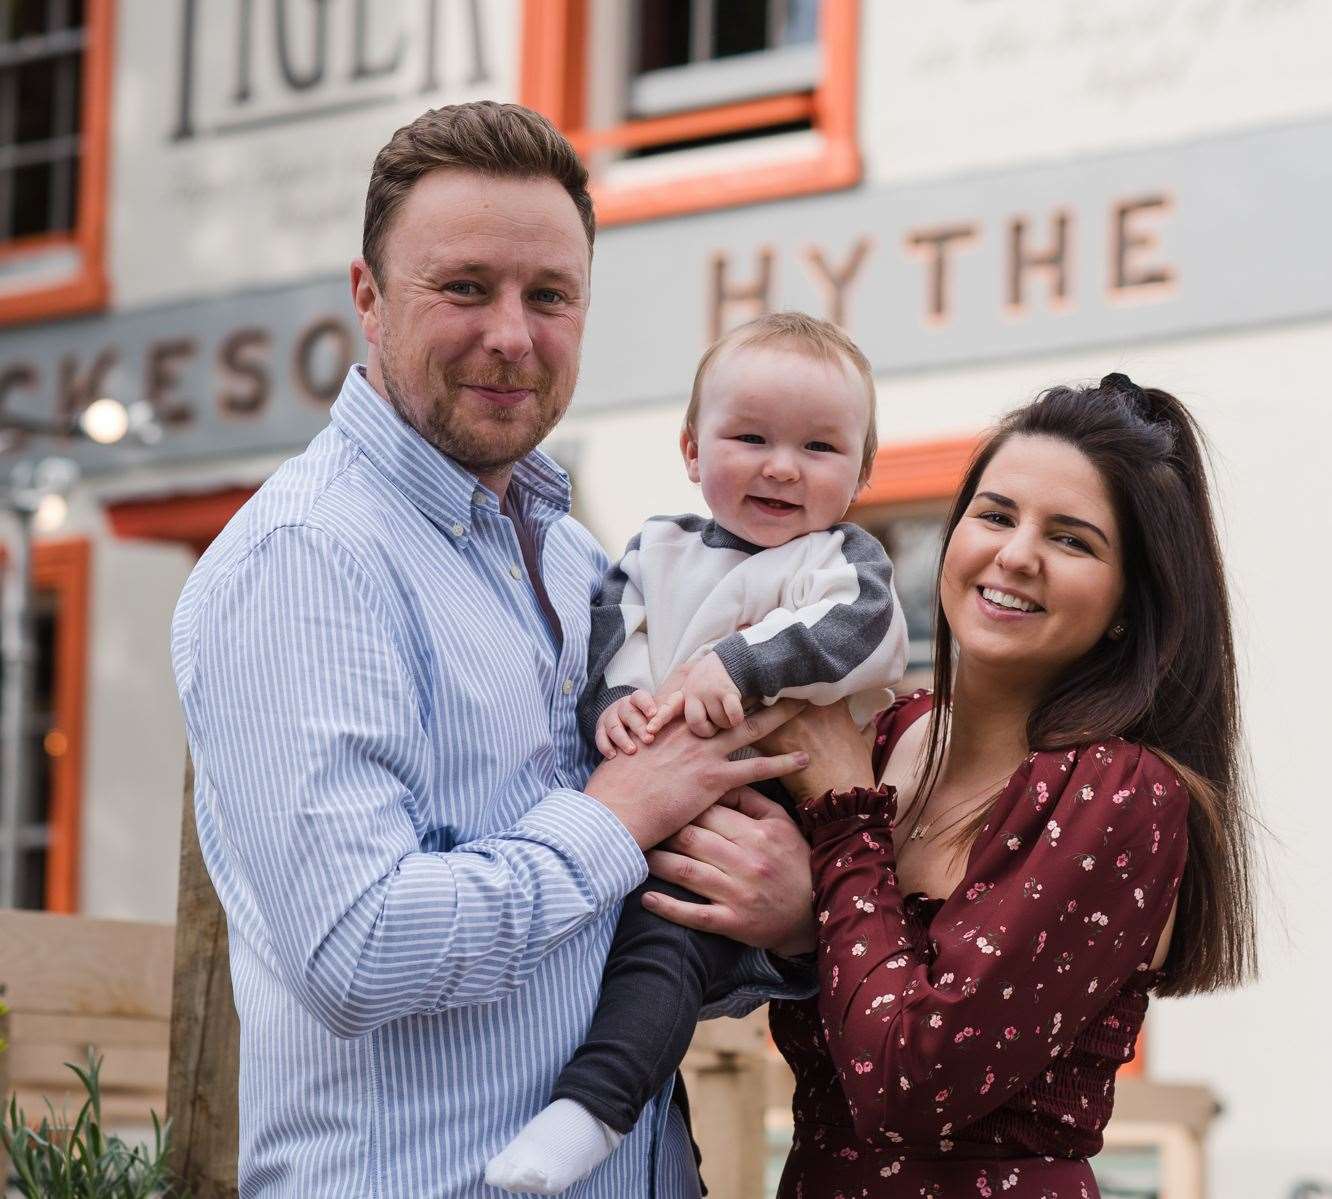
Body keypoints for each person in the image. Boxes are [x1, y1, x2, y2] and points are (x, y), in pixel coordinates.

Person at [170, 101, 818, 1199]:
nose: (513, 334)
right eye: (465, 287)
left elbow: (588, 939)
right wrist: (619, 813)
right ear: (368, 300)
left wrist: (780, 922)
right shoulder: (306, 560)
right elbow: (360, 950)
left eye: (550, 295)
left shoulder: (572, 558)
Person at [651, 374, 1258, 1196]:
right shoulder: (885, 730)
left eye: (1073, 540)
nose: (1015, 554)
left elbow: (909, 1079)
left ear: (1128, 602)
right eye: (996, 514)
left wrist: (838, 821)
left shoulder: (1120, 793)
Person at [486, 312, 909, 1194]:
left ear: (863, 473)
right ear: (691, 446)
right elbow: (617, 639)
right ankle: (588, 1110)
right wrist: (621, 706)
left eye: (820, 448)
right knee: (610, 955)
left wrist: (738, 664)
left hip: (769, 822)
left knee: (663, 954)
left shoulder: (841, 560)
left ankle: (589, 1113)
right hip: (650, 818)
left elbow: (857, 636)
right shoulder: (655, 550)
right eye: (749, 436)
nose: (781, 465)